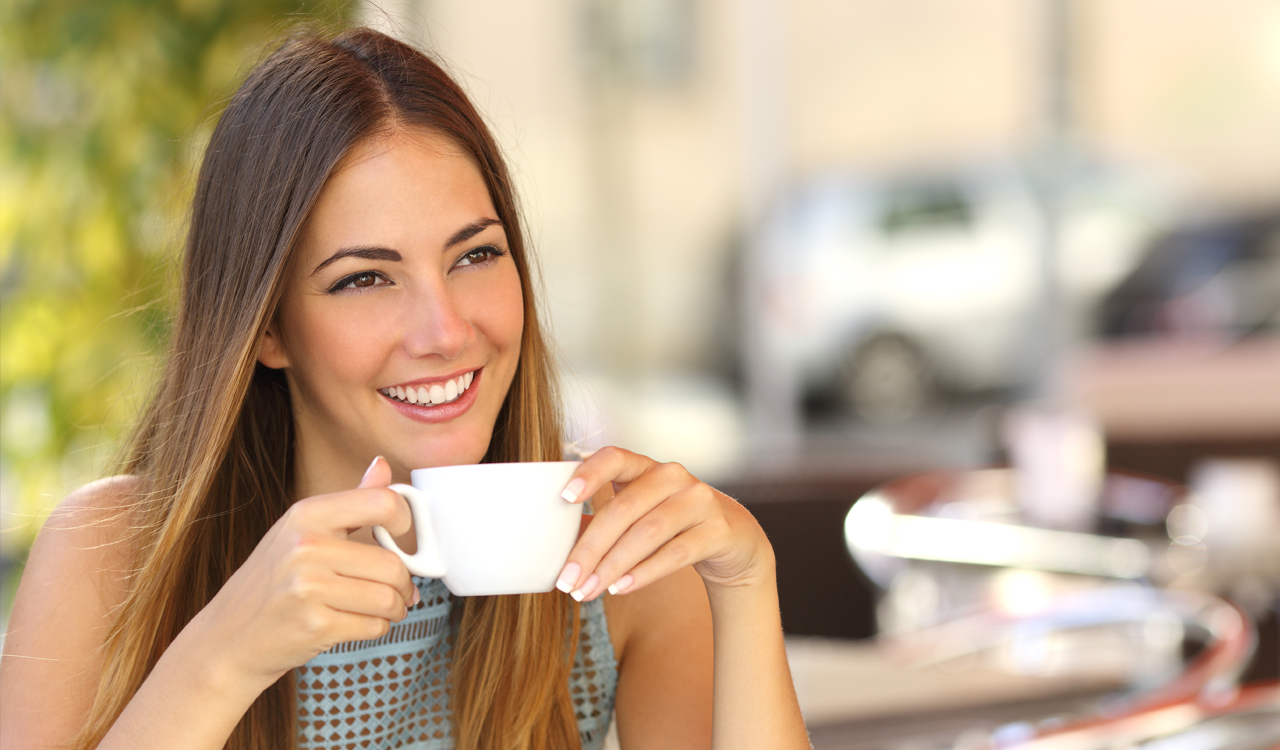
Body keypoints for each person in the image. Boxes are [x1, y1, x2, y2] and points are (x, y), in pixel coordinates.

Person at [0, 26, 809, 750]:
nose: (445, 330)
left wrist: (743, 581)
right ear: (268, 328)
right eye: (363, 280)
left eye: (474, 256)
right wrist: (221, 657)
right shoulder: (114, 559)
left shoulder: (610, 560)